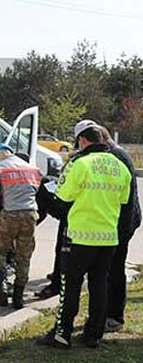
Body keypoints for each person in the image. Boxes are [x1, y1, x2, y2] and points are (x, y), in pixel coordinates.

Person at [37, 121, 131, 349]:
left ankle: (62, 334)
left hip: (79, 238)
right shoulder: (120, 167)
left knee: (70, 286)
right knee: (99, 286)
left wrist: (42, 192)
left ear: (83, 141)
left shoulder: (80, 164)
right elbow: (123, 202)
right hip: (108, 239)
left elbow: (62, 202)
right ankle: (93, 334)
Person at [0, 143, 41, 309]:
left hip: (9, 215)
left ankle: (1, 284)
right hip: (29, 215)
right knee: (24, 255)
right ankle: (18, 297)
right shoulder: (32, 169)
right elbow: (35, 192)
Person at [99, 126, 141, 333]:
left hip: (121, 226)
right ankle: (108, 313)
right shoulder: (117, 154)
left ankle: (114, 316)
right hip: (120, 224)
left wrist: (121, 230)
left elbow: (127, 200)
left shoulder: (116, 157)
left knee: (114, 272)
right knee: (110, 271)